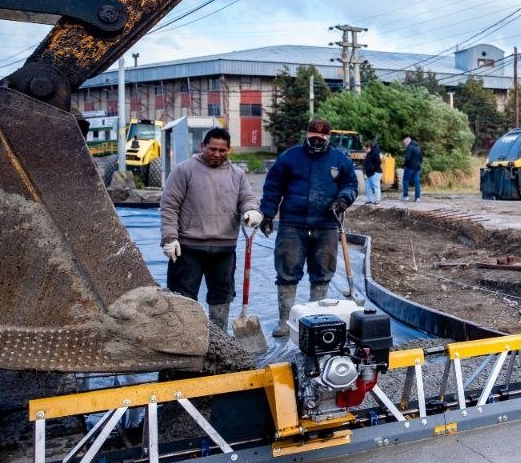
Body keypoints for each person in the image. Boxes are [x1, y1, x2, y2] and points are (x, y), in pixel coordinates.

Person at [259, 119, 358, 337]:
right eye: (313, 137)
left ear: (328, 138)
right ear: (307, 134)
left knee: (322, 273)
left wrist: (342, 200)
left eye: (321, 139)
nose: (316, 141)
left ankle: (316, 319)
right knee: (286, 271)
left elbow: (350, 184)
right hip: (292, 225)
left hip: (326, 225)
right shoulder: (290, 158)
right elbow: (273, 186)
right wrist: (267, 214)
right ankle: (285, 320)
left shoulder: (340, 160)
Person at [159, 127, 262, 332]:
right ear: (202, 146)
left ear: (228, 150)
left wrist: (251, 211)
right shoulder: (184, 170)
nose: (216, 154)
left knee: (222, 297)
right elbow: (169, 205)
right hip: (188, 248)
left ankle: (219, 339)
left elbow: (247, 198)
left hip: (223, 249)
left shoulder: (237, 174)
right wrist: (169, 237)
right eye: (212, 149)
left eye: (222, 150)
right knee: (183, 297)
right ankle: (184, 338)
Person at [401, 135, 423, 202]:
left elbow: (407, 158)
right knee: (417, 182)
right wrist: (418, 163)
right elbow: (421, 158)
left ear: (407, 142)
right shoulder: (418, 147)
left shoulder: (409, 147)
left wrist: (405, 165)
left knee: (405, 180)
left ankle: (405, 196)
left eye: (404, 144)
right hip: (417, 167)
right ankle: (417, 198)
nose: (404, 145)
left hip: (409, 167)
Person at [363, 140, 383, 205]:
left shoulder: (375, 153)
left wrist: (372, 167)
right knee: (367, 186)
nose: (364, 151)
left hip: (376, 172)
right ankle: (369, 200)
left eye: (365, 149)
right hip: (369, 173)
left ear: (369, 148)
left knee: (376, 186)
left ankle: (377, 200)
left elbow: (379, 162)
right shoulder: (368, 153)